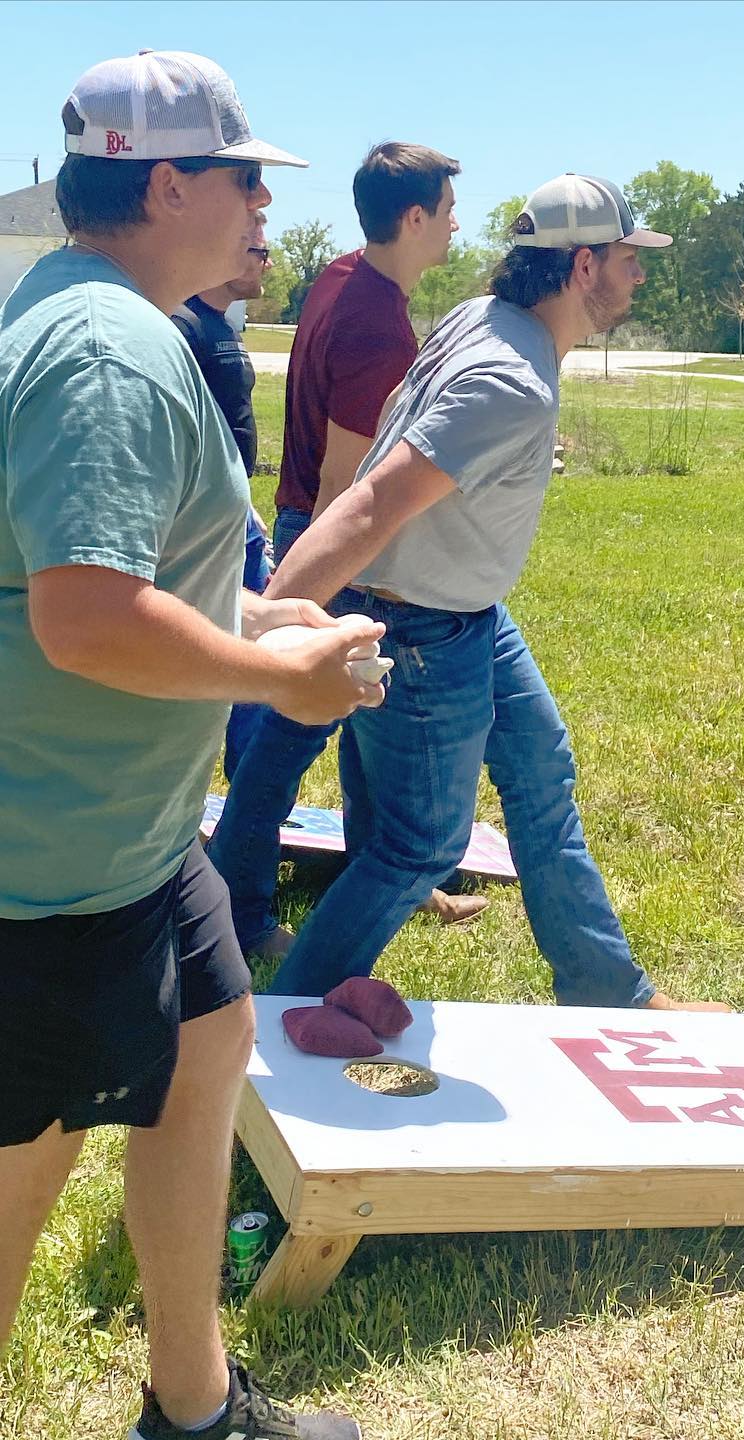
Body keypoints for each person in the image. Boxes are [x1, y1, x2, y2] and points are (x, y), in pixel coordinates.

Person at [0, 51, 380, 1440]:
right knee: (16, 1193)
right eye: (244, 182)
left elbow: (129, 569)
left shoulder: (105, 315)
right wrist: (273, 676)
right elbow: (87, 618)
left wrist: (253, 609)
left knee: (211, 1047)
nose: (262, 211)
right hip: (45, 870)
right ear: (168, 183)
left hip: (137, 844)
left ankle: (196, 1405)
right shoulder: (110, 350)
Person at [262, 173, 726, 1011]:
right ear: (583, 267)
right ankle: (269, 1037)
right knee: (417, 846)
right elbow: (370, 503)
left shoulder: (486, 318)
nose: (640, 275)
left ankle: (603, 990)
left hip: (469, 612)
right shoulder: (508, 378)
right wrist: (261, 625)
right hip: (422, 627)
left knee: (540, 771)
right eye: (629, 258)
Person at [207, 141, 486, 956]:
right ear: (413, 217)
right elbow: (346, 483)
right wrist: (327, 596)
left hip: (312, 529)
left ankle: (388, 873)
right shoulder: (376, 328)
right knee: (286, 734)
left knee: (370, 712)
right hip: (333, 546)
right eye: (445, 210)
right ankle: (243, 913)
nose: (455, 225)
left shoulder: (342, 276)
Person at [172, 228, 275, 776]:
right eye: (258, 251)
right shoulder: (183, 326)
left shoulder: (219, 324)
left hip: (238, 514)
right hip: (207, 524)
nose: (267, 263)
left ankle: (244, 789)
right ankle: (244, 798)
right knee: (243, 654)